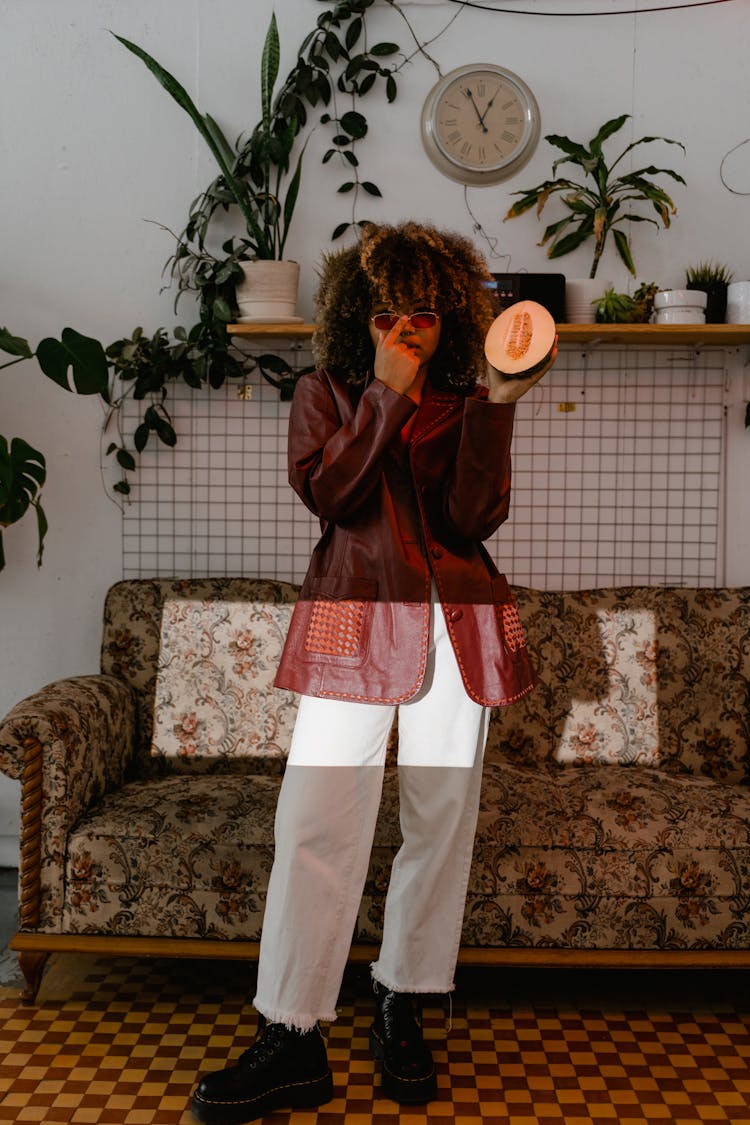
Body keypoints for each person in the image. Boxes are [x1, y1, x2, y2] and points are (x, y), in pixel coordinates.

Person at [191, 221, 557, 1124]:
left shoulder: (472, 397)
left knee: (440, 821)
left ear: (450, 316)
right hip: (355, 624)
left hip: (457, 622)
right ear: (364, 312)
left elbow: (476, 515)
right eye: (391, 308)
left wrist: (501, 401)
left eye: (425, 310)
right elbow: (331, 494)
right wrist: (385, 400)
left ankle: (403, 998)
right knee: (315, 820)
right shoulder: (325, 391)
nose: (408, 325)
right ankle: (292, 1034)